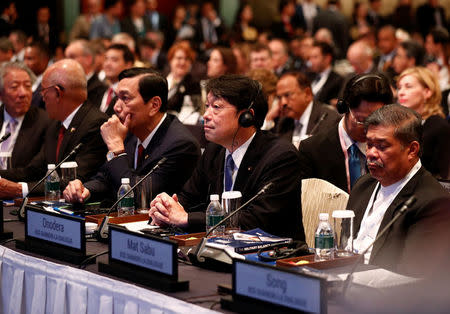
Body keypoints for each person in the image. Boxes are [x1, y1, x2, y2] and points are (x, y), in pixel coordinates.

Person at [149, 75, 305, 241]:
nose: (206, 115)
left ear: (247, 116)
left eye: (216, 107)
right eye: (207, 106)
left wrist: (186, 219)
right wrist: (166, 210)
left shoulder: (280, 157)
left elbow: (256, 220)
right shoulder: (214, 150)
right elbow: (189, 197)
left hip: (271, 256)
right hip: (219, 248)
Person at [64, 68, 200, 204]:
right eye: (117, 97)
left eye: (125, 98)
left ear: (154, 105)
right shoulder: (130, 131)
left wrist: (116, 147)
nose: (116, 107)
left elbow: (139, 196)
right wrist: (85, 190)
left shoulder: (181, 145)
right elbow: (106, 177)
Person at [347, 104, 450, 275]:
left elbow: (411, 278)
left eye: (381, 146)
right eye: (369, 144)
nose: (371, 153)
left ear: (411, 150)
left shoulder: (433, 203)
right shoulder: (364, 185)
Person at [0, 59, 108, 198]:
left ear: (57, 93)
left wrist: (18, 189)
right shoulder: (56, 124)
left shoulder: (95, 124)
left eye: (43, 92)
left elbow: (75, 181)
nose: (42, 99)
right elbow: (34, 170)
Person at [298, 73, 393, 193]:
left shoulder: (393, 147)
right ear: (344, 108)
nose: (369, 129)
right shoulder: (312, 150)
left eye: (377, 121)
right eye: (362, 121)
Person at [397, 67, 450, 179]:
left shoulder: (439, 126)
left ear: (427, 92)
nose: (401, 92)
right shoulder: (399, 126)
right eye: (399, 87)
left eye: (408, 87)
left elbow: (444, 175)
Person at [0, 62, 50, 169]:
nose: (23, 93)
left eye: (28, 86)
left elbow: (35, 170)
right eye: (14, 87)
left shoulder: (45, 122)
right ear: (1, 94)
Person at [269, 71, 340, 146]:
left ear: (307, 94)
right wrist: (268, 119)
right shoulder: (284, 122)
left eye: (287, 95)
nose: (283, 102)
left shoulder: (329, 121)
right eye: (279, 98)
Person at [65, 39, 107, 108]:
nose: (67, 62)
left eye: (72, 57)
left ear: (88, 59)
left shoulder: (99, 89)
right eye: (66, 58)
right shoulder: (66, 85)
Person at [99, 44, 134, 115]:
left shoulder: (129, 96)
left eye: (114, 60)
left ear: (128, 65)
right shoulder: (98, 90)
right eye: (106, 59)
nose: (108, 64)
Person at [307, 41, 344, 106]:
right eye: (309, 58)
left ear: (327, 58)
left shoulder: (337, 80)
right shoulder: (309, 76)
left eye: (315, 57)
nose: (310, 62)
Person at [23, 41, 50, 109]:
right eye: (24, 59)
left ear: (45, 60)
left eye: (29, 59)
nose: (25, 63)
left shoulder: (51, 84)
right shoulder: (25, 80)